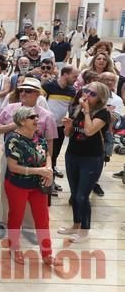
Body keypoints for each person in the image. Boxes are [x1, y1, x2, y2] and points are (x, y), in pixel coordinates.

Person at [3, 106, 60, 266]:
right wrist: (39, 171)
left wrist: (48, 169)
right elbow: (13, 166)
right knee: (16, 217)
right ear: (21, 121)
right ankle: (14, 248)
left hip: (37, 185)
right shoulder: (13, 139)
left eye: (36, 116)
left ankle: (47, 254)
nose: (37, 119)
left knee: (43, 219)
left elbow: (47, 154)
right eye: (32, 117)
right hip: (17, 185)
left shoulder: (38, 136)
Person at [60, 81, 111, 243]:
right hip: (72, 155)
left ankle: (85, 230)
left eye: (93, 94)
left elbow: (89, 131)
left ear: (101, 98)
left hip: (91, 158)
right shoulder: (77, 108)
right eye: (86, 90)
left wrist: (87, 111)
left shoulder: (103, 113)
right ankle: (76, 225)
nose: (87, 95)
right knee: (74, 194)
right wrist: (67, 126)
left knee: (83, 196)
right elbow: (69, 134)